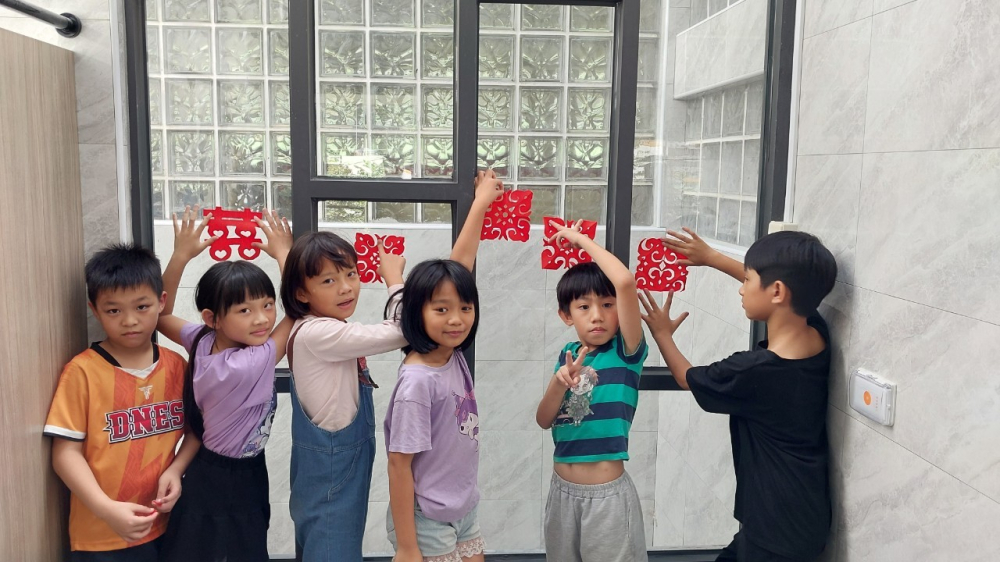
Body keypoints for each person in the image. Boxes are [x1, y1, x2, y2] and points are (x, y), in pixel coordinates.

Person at [639, 228, 837, 562]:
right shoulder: (815, 333)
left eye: (747, 280)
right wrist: (711, 258)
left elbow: (687, 378)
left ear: (777, 291)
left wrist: (662, 335)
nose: (742, 288)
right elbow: (783, 288)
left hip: (774, 531)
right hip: (802, 513)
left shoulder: (751, 371)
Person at [156, 207, 294, 561]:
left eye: (267, 304)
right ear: (213, 318)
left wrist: (180, 255)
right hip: (232, 479)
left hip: (209, 467)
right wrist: (284, 253)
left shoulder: (202, 340)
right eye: (244, 310)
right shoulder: (249, 362)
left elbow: (160, 314)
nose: (262, 319)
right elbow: (299, 308)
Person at [44, 243, 196, 561]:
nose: (129, 320)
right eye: (114, 310)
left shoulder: (177, 366)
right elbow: (64, 454)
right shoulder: (82, 372)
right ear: (95, 309)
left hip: (166, 525)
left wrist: (177, 470)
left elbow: (196, 432)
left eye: (142, 307)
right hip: (100, 535)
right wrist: (106, 509)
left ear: (161, 302)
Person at [383, 169, 503, 562]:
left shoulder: (449, 354)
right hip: (427, 518)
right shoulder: (418, 383)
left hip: (463, 506)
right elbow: (399, 466)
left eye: (465, 308)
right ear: (416, 313)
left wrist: (481, 202)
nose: (456, 319)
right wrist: (407, 546)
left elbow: (460, 265)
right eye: (441, 310)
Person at [279, 222, 407, 561]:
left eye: (351, 274)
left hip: (329, 469)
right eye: (329, 281)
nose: (346, 288)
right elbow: (404, 329)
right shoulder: (319, 333)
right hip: (332, 471)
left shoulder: (321, 327)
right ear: (301, 293)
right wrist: (394, 280)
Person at [535, 220, 649, 562]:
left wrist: (582, 240)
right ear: (566, 315)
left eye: (608, 305)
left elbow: (624, 282)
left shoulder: (627, 351)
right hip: (562, 492)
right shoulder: (569, 355)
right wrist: (559, 382)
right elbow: (544, 420)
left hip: (607, 498)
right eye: (584, 307)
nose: (597, 316)